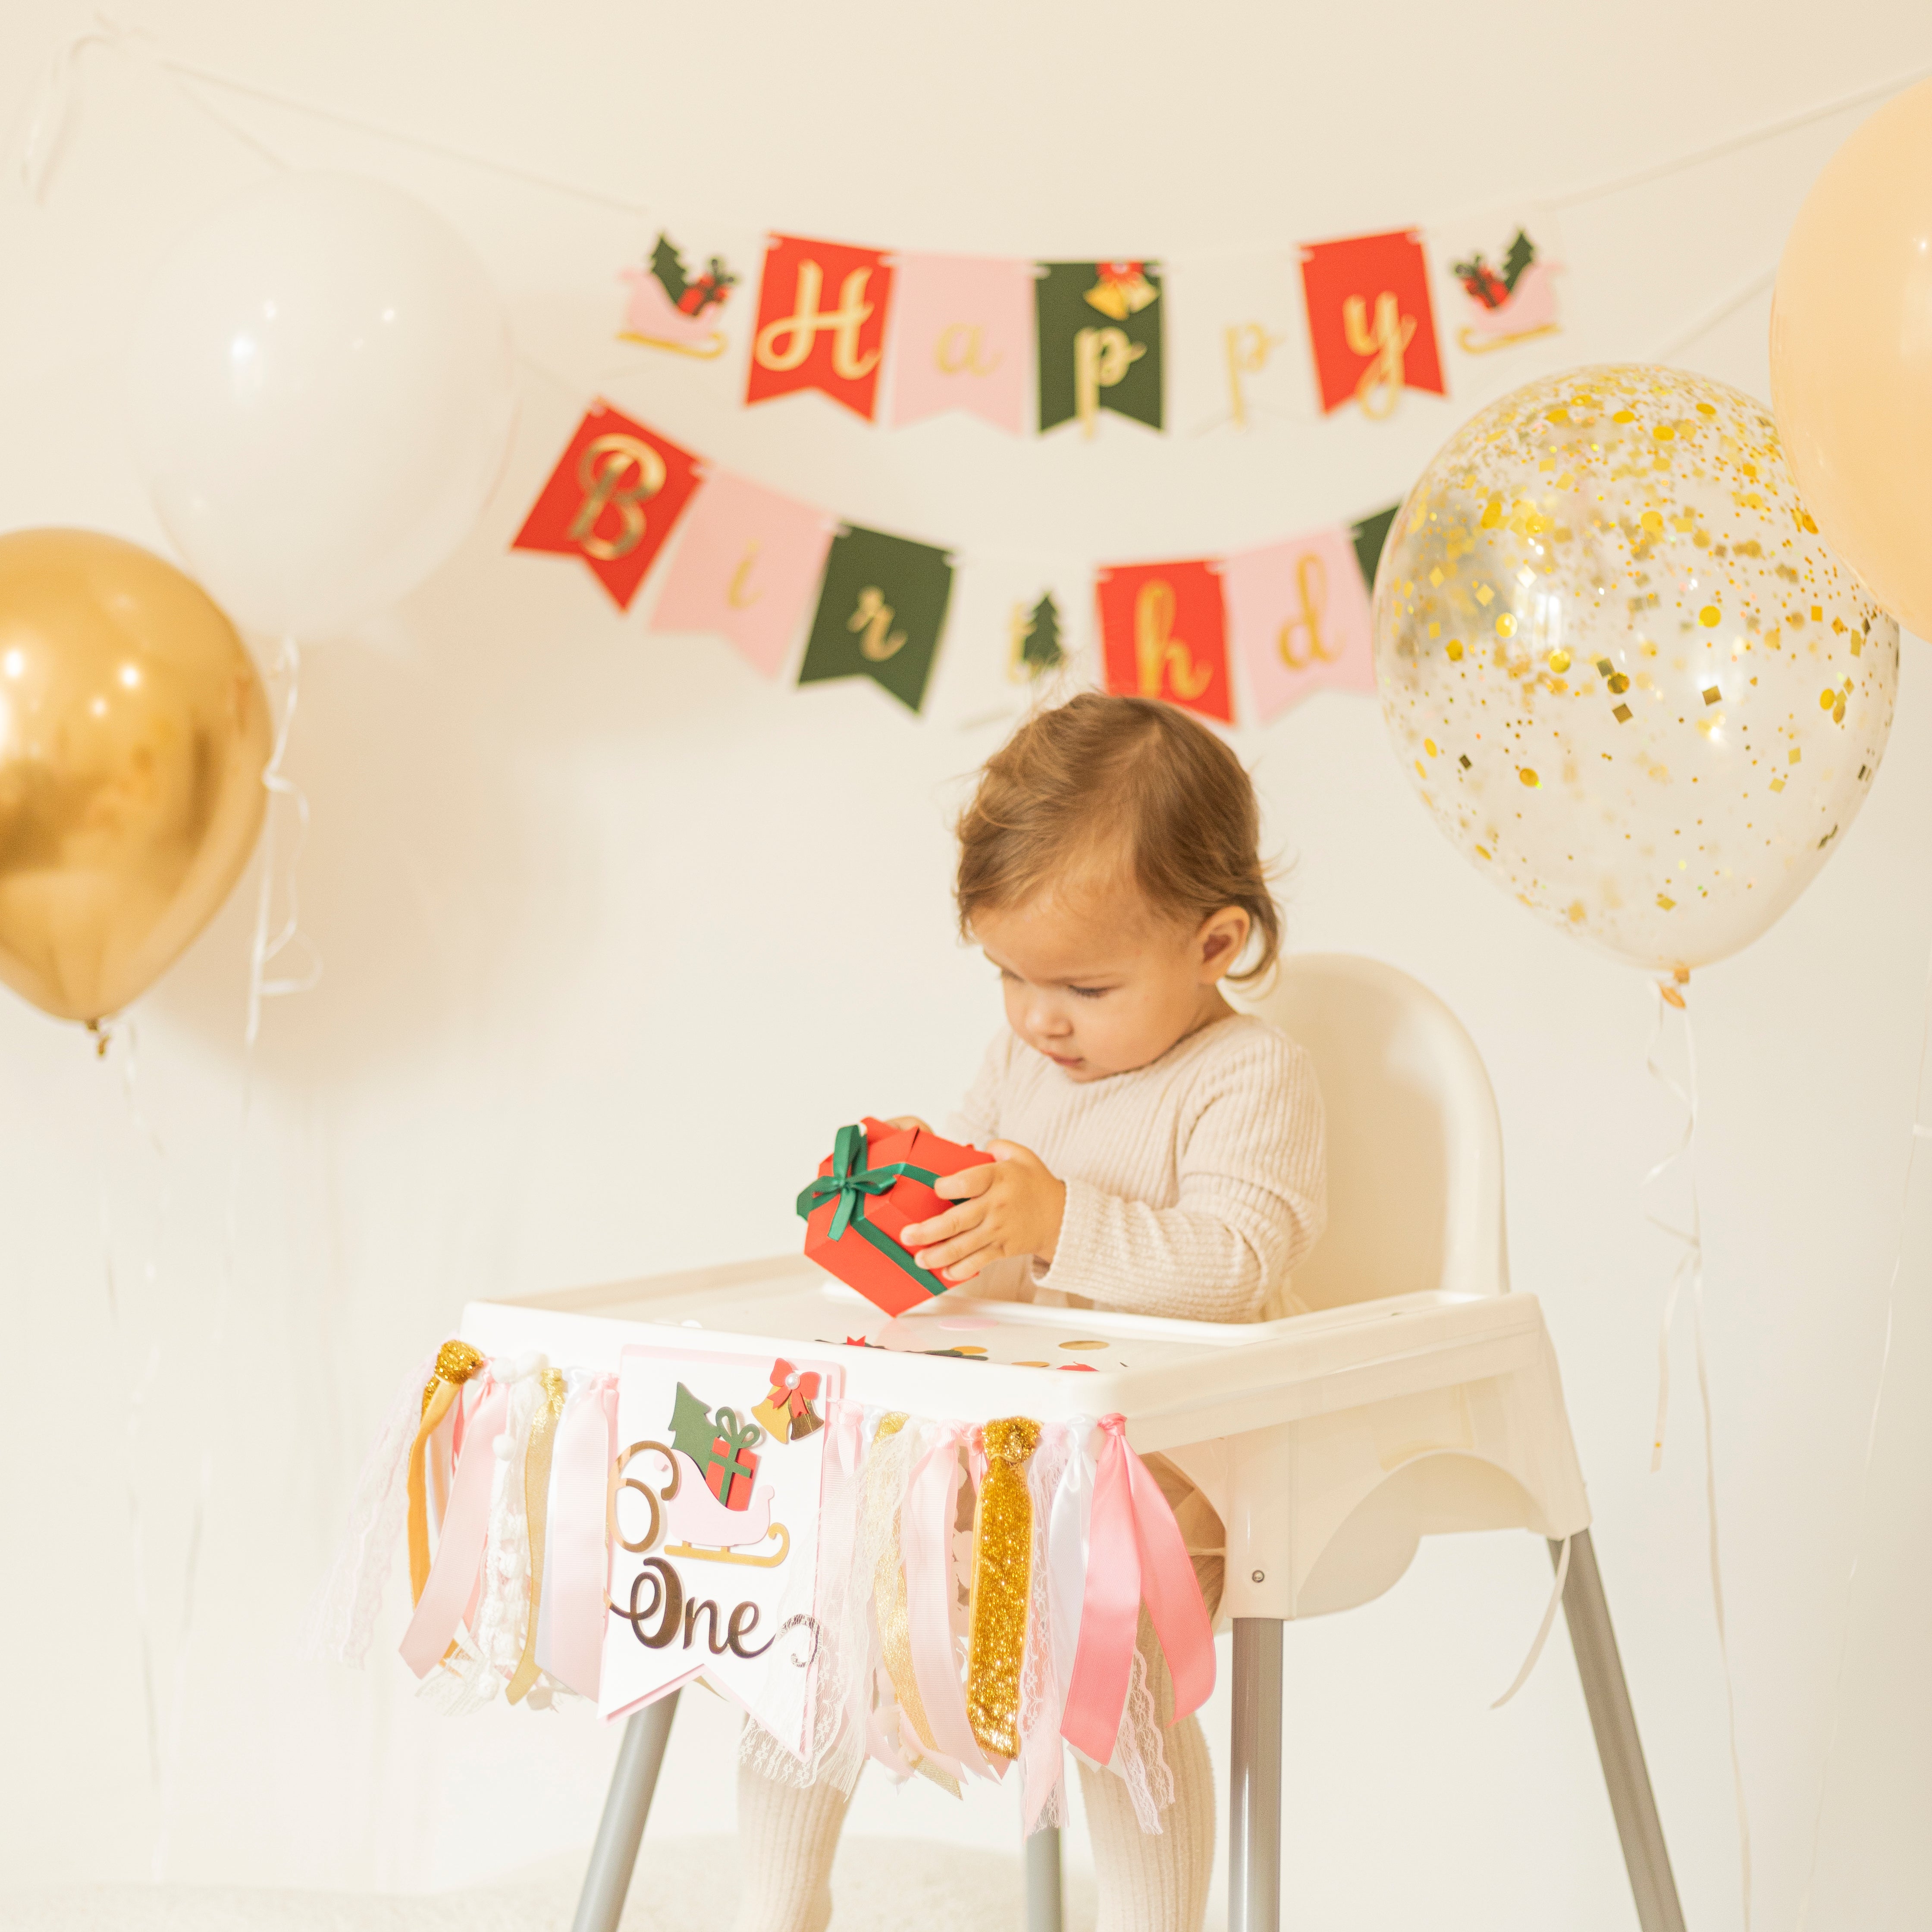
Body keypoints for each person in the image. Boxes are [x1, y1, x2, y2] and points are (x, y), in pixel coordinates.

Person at [735, 692, 1328, 1932]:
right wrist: (922, 1223)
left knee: (1117, 1646)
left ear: (1217, 944)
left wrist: (1056, 1220)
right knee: (819, 1590)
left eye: (1084, 985)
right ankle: (775, 1904)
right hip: (1012, 1436)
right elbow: (991, 1239)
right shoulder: (1025, 1063)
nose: (1039, 1018)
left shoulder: (1246, 1075)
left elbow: (1238, 1261)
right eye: (1009, 975)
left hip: (1176, 1461)